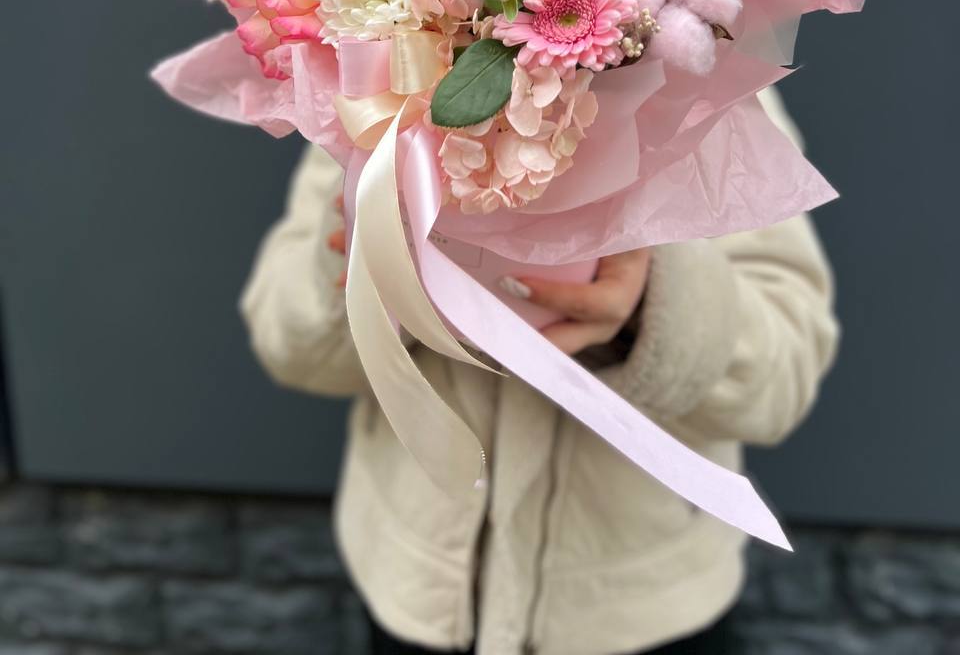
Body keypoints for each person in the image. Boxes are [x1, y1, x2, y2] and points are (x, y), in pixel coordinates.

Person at [241, 88, 838, 655]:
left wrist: (648, 294)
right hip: (415, 593)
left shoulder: (702, 84)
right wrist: (364, 236)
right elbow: (288, 346)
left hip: (637, 615)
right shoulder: (375, 86)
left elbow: (786, 371)